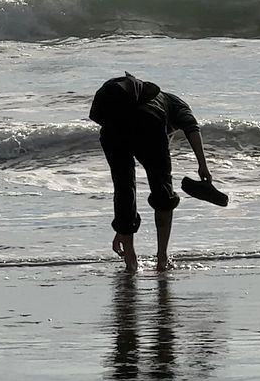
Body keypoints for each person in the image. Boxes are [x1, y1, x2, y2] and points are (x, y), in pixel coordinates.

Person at [89, 73, 211, 273]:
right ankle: (162, 257)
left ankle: (131, 259)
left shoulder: (127, 99)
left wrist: (123, 227)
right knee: (163, 191)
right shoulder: (176, 105)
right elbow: (192, 128)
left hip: (112, 124)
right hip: (148, 122)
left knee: (123, 186)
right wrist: (203, 166)